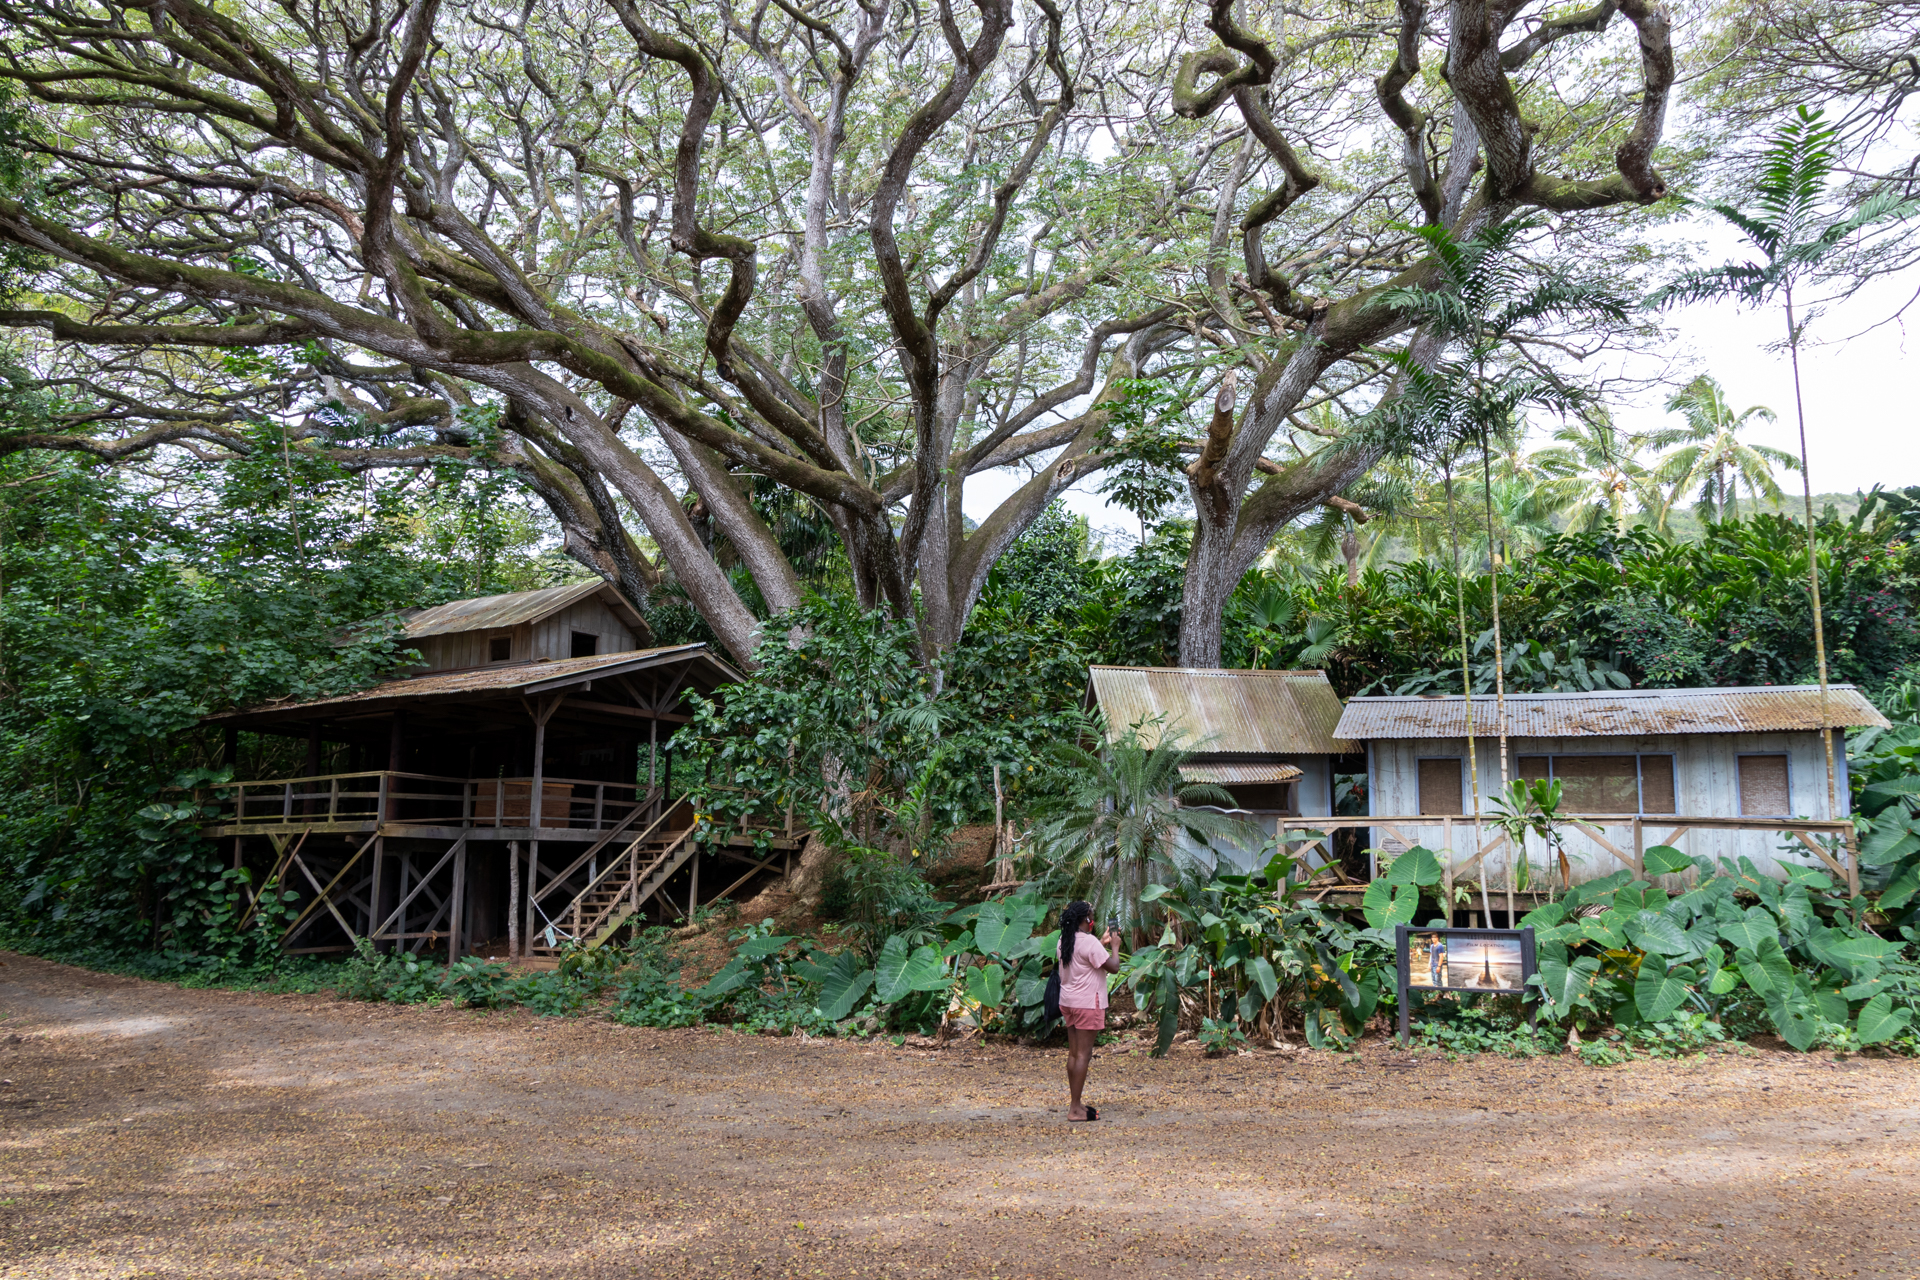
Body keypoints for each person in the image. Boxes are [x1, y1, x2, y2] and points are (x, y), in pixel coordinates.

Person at [1056, 900, 1121, 1123]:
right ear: (1086, 919)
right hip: (1087, 1003)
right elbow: (1113, 966)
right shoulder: (1090, 943)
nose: (1093, 919)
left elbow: (1085, 958)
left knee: (1074, 1053)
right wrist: (1114, 946)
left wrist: (1101, 942)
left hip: (1068, 1002)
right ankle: (1074, 1108)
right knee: (1083, 1054)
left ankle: (1076, 1104)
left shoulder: (1064, 940)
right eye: (1091, 915)